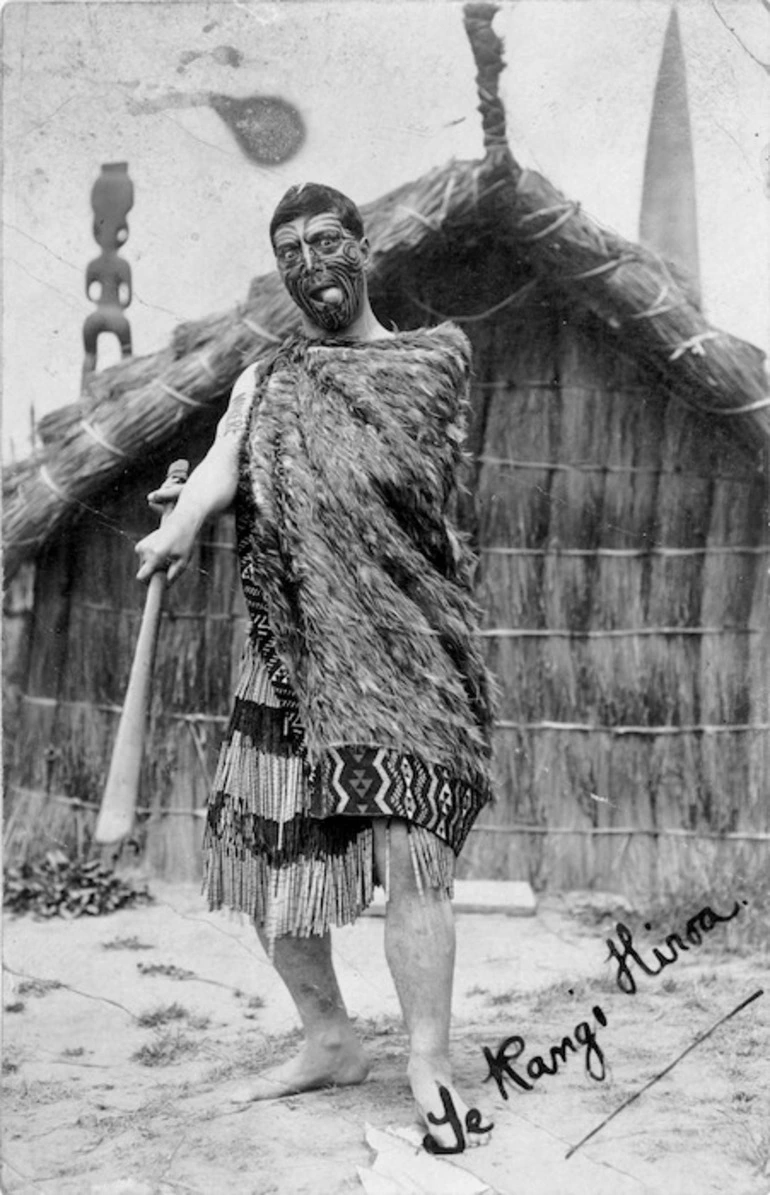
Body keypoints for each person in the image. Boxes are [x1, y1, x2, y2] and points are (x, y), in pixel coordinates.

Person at [135, 182, 496, 1154]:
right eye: (289, 252)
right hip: (288, 644)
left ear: (364, 250)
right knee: (263, 854)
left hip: (398, 648)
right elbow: (222, 458)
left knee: (415, 857)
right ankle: (329, 1036)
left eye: (326, 243)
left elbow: (419, 500)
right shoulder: (267, 378)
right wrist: (182, 521)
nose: (310, 267)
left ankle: (426, 1061)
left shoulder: (427, 366)